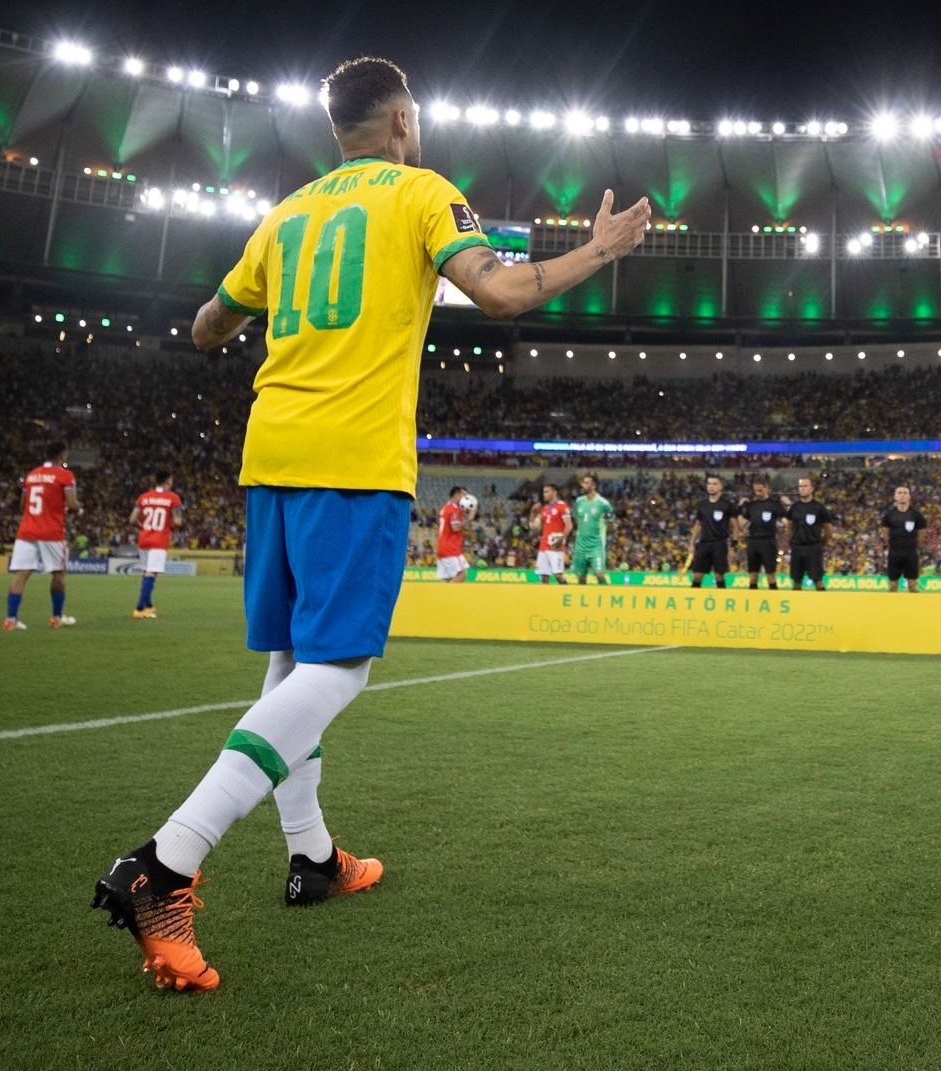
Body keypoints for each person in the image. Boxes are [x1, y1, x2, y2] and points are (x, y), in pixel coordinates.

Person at [92, 55, 651, 992]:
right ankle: (165, 864)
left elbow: (204, 327)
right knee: (338, 669)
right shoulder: (424, 193)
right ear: (402, 122)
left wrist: (265, 307)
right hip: (354, 465)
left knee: (290, 668)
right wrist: (600, 250)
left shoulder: (287, 214)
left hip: (270, 458)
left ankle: (310, 856)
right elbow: (505, 293)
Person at [3, 441, 81, 631]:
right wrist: (78, 510)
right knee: (59, 573)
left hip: (27, 531)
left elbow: (23, 505)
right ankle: (56, 617)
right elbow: (72, 505)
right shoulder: (65, 475)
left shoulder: (32, 475)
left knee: (21, 574)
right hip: (51, 532)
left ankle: (11, 620)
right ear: (62, 456)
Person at [129, 471, 182, 619]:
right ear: (168, 482)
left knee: (147, 571)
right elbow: (178, 522)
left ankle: (148, 606)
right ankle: (140, 607)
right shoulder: (173, 498)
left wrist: (145, 526)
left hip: (144, 538)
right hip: (159, 540)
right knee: (152, 572)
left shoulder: (144, 497)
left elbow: (132, 520)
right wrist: (166, 526)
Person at [786, 476, 832, 591]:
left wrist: (821, 544)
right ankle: (796, 607)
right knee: (796, 581)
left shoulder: (819, 508)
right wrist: (791, 540)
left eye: (805, 486)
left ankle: (823, 606)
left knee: (818, 580)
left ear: (812, 489)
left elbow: (828, 529)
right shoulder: (794, 507)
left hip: (813, 548)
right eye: (800, 486)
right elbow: (789, 526)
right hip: (797, 547)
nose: (802, 489)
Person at [740, 476, 787, 590]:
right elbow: (742, 525)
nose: (758, 493)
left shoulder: (775, 505)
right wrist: (740, 507)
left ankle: (774, 599)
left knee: (770, 575)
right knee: (752, 575)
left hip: (768, 542)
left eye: (760, 490)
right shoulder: (751, 505)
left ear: (767, 489)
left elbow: (786, 521)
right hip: (753, 541)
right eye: (756, 490)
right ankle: (753, 600)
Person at [879, 485, 926, 593]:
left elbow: (922, 534)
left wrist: (913, 546)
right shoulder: (889, 515)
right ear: (895, 497)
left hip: (911, 553)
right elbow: (885, 532)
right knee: (892, 587)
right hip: (894, 552)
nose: (902, 495)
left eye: (905, 493)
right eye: (899, 493)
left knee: (912, 587)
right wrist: (892, 544)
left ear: (909, 496)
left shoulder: (917, 515)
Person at [570, 474, 613, 585]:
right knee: (581, 576)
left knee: (599, 574)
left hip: (596, 545)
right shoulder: (579, 501)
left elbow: (611, 522)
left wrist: (600, 532)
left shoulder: (604, 504)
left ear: (593, 486)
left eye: (586, 483)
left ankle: (606, 597)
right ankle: (581, 600)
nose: (583, 485)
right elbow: (576, 519)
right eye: (583, 483)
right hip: (580, 545)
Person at [533, 483, 572, 585]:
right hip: (543, 547)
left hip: (556, 547)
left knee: (558, 576)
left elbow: (569, 525)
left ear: (554, 493)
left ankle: (567, 592)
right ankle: (545, 600)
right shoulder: (544, 509)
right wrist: (533, 513)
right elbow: (535, 527)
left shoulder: (562, 506)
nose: (544, 494)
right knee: (544, 578)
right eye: (543, 492)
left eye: (547, 492)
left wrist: (562, 539)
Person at [435, 486, 470, 583]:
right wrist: (469, 518)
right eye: (464, 496)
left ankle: (442, 597)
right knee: (462, 575)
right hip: (451, 548)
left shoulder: (445, 508)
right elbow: (455, 528)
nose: (466, 499)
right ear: (457, 495)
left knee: (449, 579)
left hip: (442, 547)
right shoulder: (455, 509)